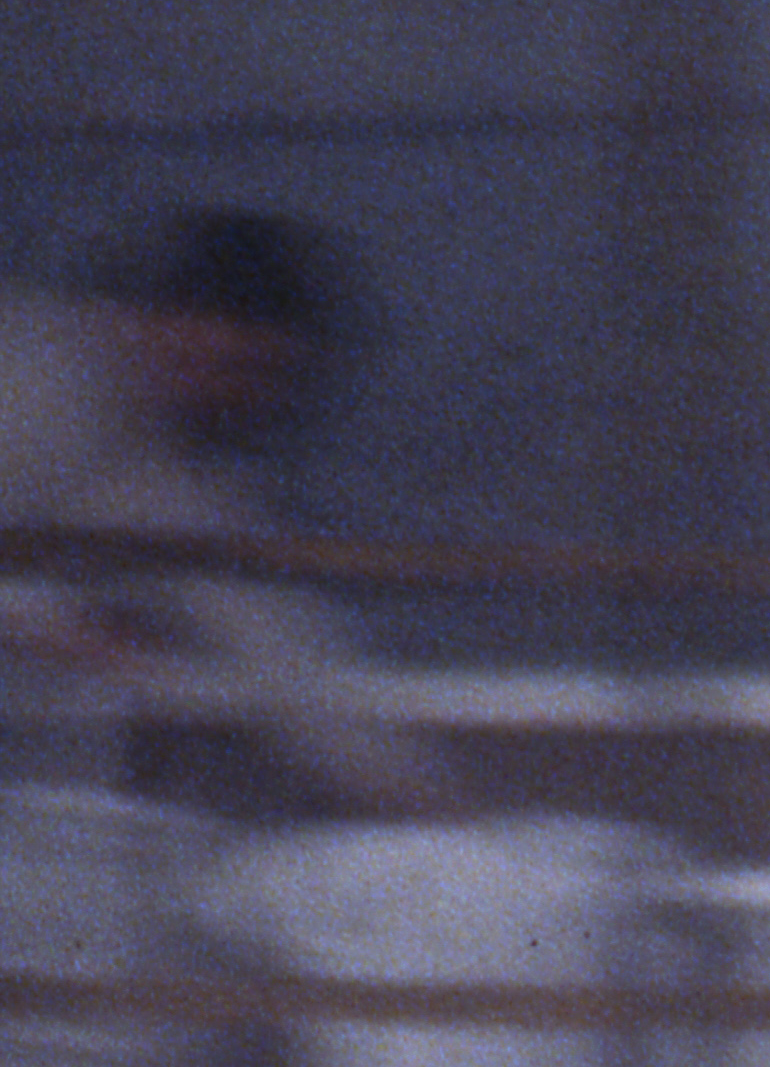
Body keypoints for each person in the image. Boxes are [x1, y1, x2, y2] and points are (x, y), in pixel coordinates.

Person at [1, 208, 449, 828]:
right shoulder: (29, 376)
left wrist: (416, 798)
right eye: (232, 365)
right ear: (151, 320)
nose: (237, 392)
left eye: (266, 377)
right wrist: (42, 628)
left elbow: (269, 639)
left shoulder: (154, 458)